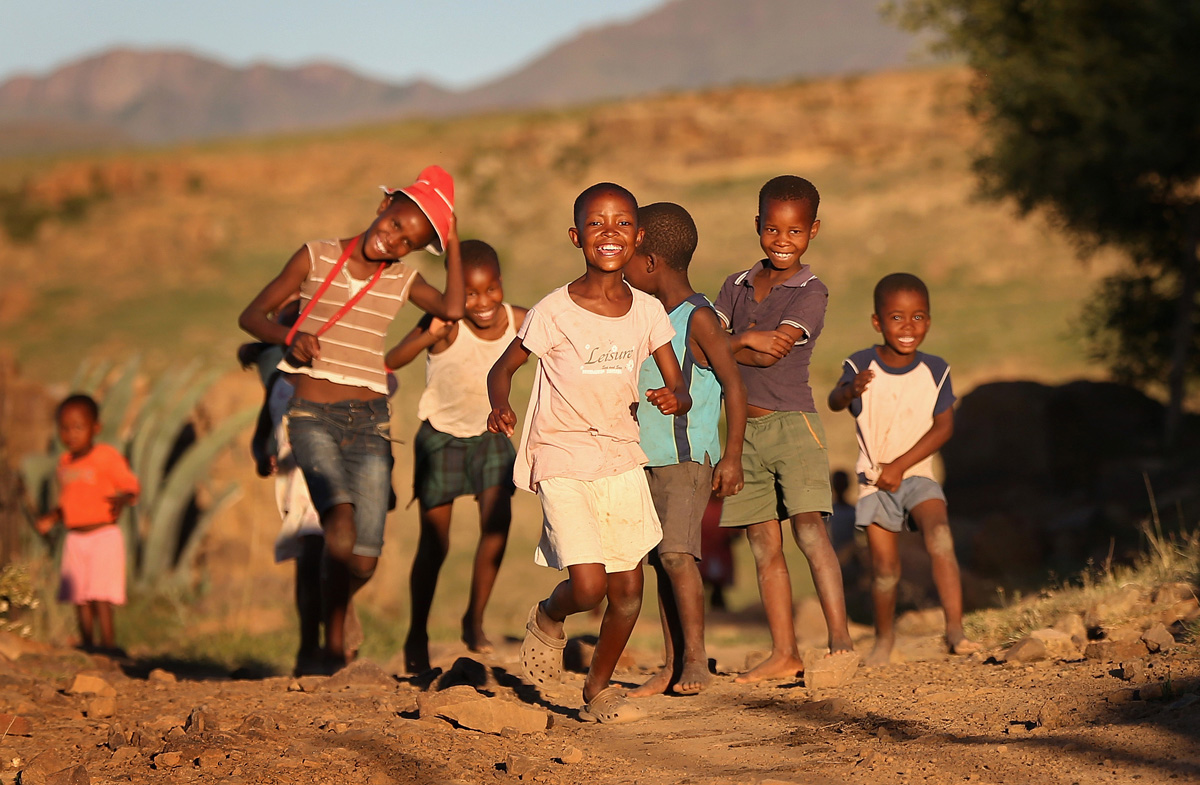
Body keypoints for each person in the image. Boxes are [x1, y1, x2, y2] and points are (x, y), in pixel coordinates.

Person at [238, 166, 463, 669]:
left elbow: (452, 307)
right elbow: (251, 316)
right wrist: (289, 338)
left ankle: (336, 609)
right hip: (311, 415)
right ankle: (331, 651)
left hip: (369, 421)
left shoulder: (403, 279)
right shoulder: (315, 255)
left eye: (409, 241)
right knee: (337, 524)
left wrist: (452, 239)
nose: (395, 240)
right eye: (397, 223)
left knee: (363, 558)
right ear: (384, 206)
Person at [487, 182, 691, 724]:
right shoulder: (553, 311)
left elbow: (677, 382)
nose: (609, 233)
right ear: (576, 237)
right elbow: (503, 368)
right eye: (596, 224)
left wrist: (676, 397)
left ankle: (598, 688)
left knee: (628, 590)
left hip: (621, 456)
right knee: (589, 586)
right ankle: (549, 615)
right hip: (562, 455)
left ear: (639, 237)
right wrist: (500, 405)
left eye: (622, 223)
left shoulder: (648, 311)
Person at [713, 175, 856, 683]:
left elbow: (772, 352)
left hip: (794, 426)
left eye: (794, 231)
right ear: (758, 225)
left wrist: (734, 343)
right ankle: (784, 652)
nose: (782, 240)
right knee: (761, 542)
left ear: (812, 231)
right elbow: (703, 348)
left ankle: (841, 644)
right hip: (741, 433)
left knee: (810, 531)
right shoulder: (734, 286)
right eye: (772, 229)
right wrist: (743, 339)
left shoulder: (811, 292)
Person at [619, 202, 747, 697]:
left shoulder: (698, 318)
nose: (621, 270)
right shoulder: (646, 316)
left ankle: (696, 659)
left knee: (677, 555)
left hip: (686, 458)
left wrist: (731, 457)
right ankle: (672, 664)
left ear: (650, 262)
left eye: (628, 260)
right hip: (645, 460)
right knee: (661, 560)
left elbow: (734, 386)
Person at [384, 239, 528, 673]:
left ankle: (474, 620)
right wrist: (429, 334)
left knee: (497, 523)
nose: (482, 302)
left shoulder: (521, 321)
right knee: (435, 543)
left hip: (490, 436)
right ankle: (417, 633)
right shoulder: (445, 323)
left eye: (490, 290)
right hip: (441, 437)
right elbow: (393, 358)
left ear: (501, 283)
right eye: (469, 293)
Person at [828, 272, 981, 666]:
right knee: (884, 570)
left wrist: (900, 465)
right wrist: (849, 390)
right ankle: (884, 639)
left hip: (917, 474)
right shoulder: (861, 364)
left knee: (940, 537)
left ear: (929, 321)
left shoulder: (936, 370)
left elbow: (944, 427)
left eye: (918, 317)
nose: (908, 327)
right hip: (874, 482)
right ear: (877, 322)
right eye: (897, 318)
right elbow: (834, 400)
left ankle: (955, 630)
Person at [36, 394, 139, 655]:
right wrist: (52, 518)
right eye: (65, 428)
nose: (71, 434)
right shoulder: (65, 463)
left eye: (78, 427)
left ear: (96, 428)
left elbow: (130, 485)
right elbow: (68, 501)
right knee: (79, 596)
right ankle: (88, 646)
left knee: (100, 595)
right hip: (75, 538)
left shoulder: (106, 456)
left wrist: (123, 499)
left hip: (103, 535)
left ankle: (108, 647)